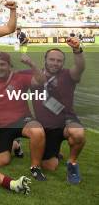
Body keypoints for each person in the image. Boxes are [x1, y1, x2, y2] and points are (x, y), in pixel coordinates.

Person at [0, 52, 47, 181]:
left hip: (22, 120)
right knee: (0, 161)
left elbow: (41, 81)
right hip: (2, 126)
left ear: (9, 65)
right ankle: (16, 145)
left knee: (37, 131)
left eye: (3, 64)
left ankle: (35, 167)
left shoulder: (19, 77)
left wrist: (31, 64)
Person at [33, 38, 86, 184]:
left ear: (62, 63)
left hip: (67, 120)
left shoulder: (68, 75)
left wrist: (77, 50)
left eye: (59, 61)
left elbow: (80, 67)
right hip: (48, 127)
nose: (55, 63)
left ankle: (72, 163)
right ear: (45, 60)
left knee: (78, 133)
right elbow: (12, 77)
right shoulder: (35, 75)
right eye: (52, 59)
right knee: (49, 167)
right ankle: (55, 151)